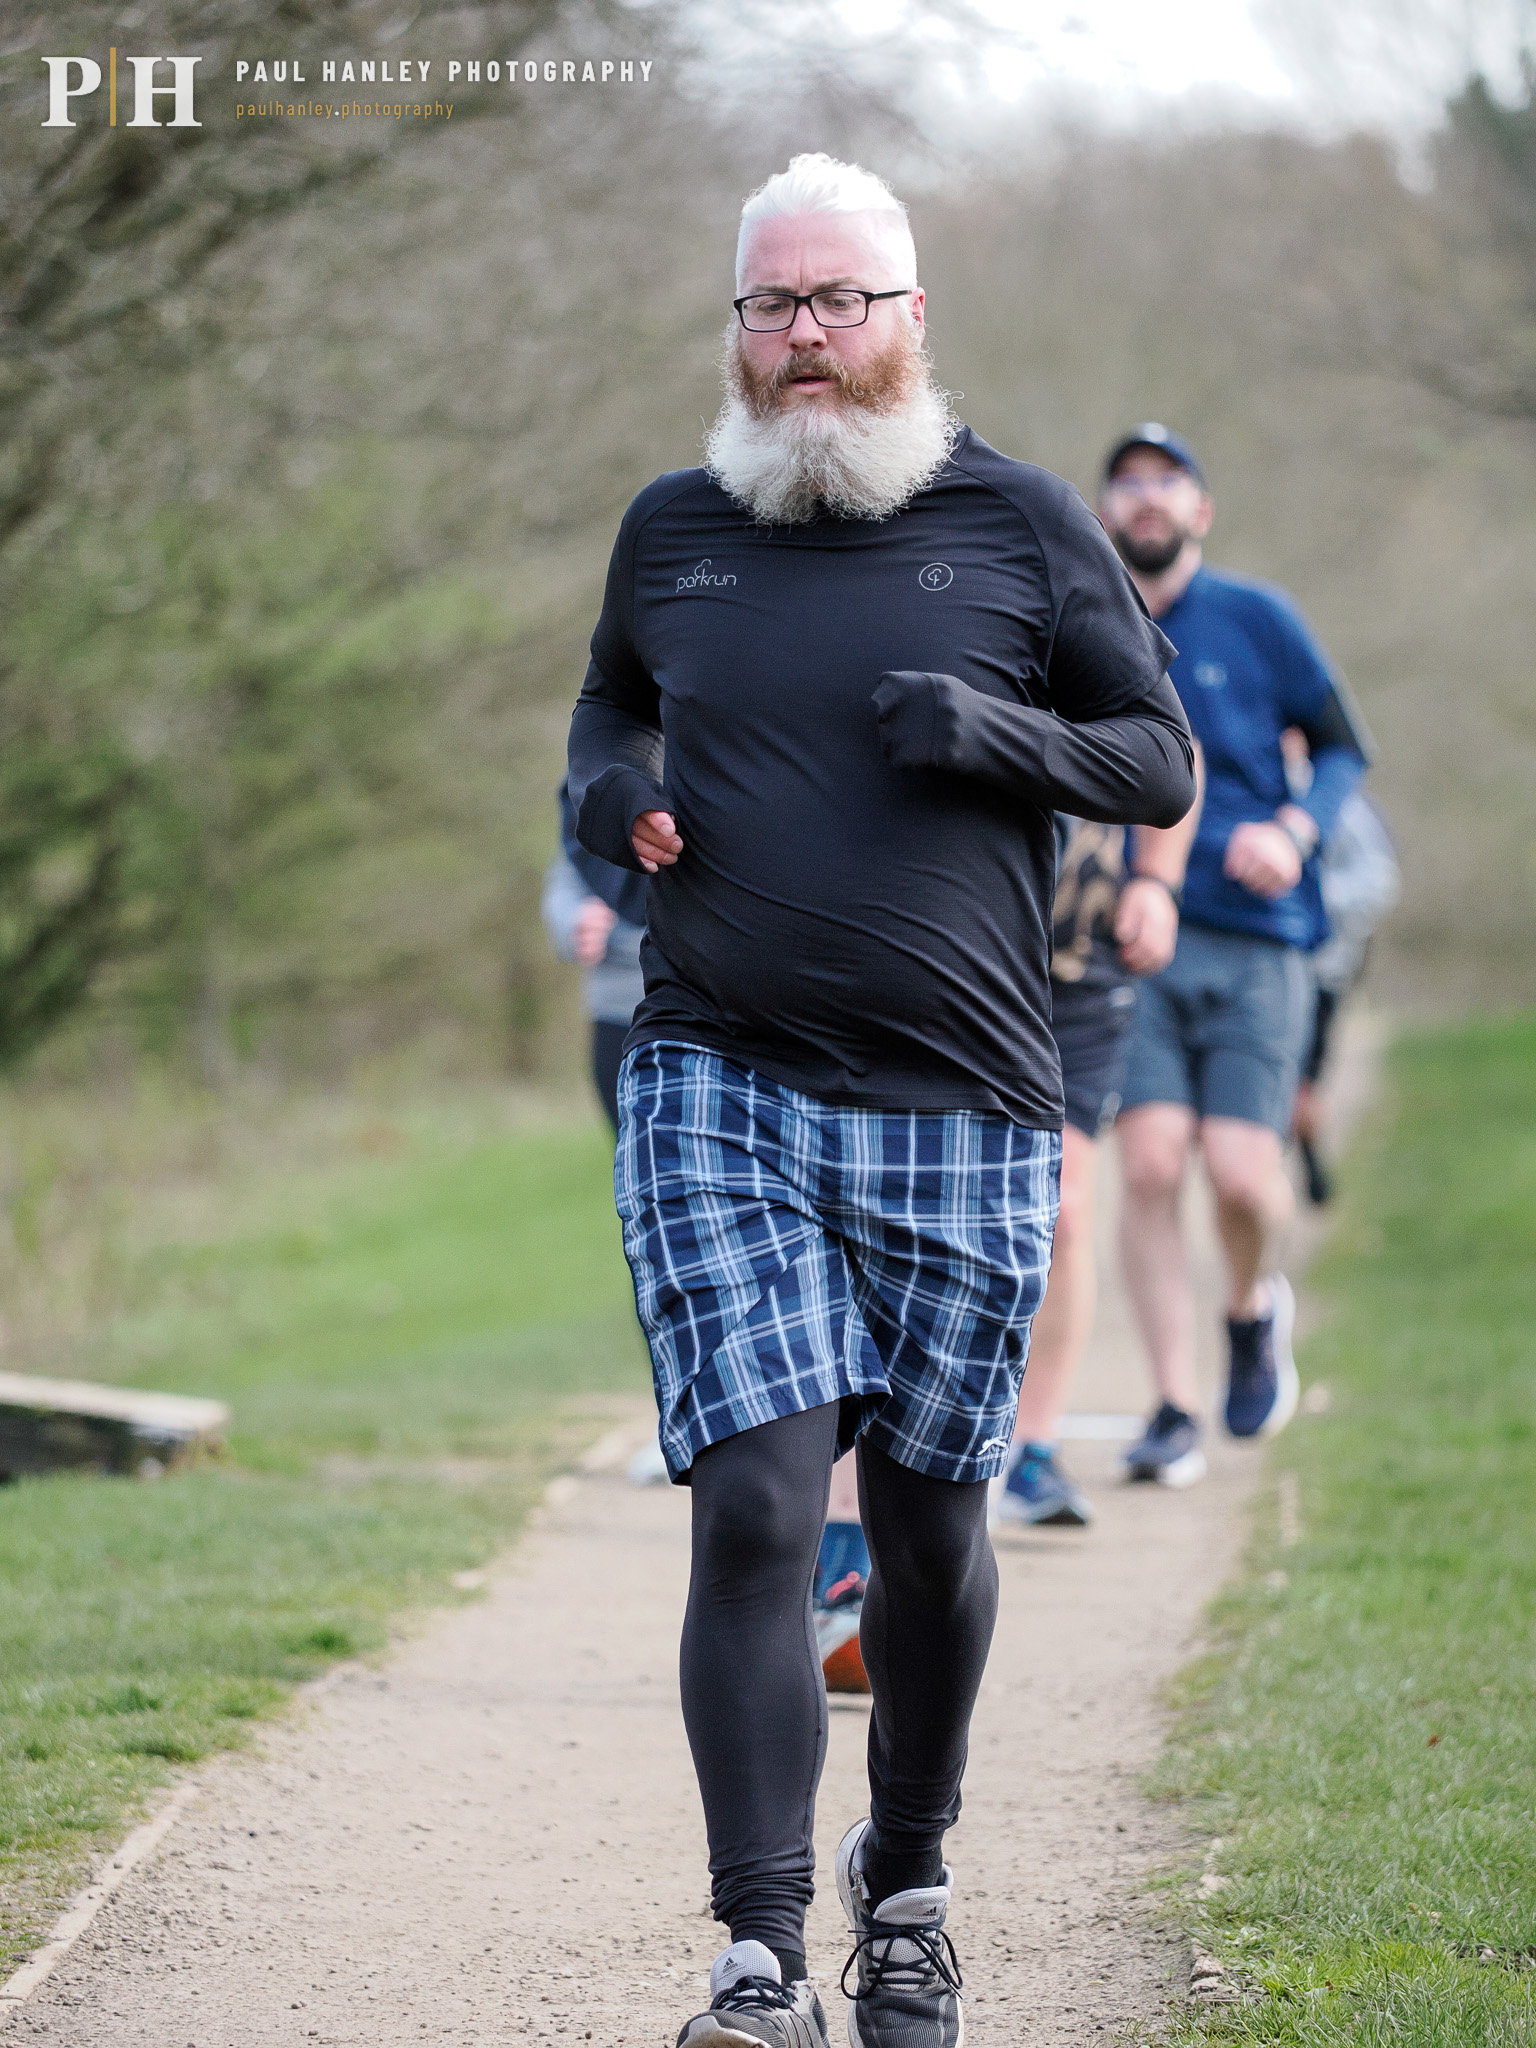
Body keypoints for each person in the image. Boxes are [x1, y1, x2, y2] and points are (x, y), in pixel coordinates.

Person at [567, 157, 1196, 2047]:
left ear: (910, 317)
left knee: (926, 1528)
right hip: (718, 1074)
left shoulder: (1014, 521)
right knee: (757, 1506)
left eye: (841, 302)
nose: (805, 339)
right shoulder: (672, 529)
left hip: (967, 1095)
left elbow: (1156, 760)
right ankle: (756, 1949)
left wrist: (997, 732)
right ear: (738, 328)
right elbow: (607, 711)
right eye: (771, 306)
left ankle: (902, 1881)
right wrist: (607, 805)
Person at [1102, 424, 1368, 1488]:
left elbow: (1345, 745)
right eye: (1127, 485)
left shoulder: (1260, 620)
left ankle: (1252, 1311)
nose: (1148, 499)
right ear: (1108, 512)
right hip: (1139, 938)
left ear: (1201, 509)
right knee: (1154, 1164)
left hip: (1262, 937)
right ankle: (1172, 1402)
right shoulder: (1088, 625)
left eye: (1168, 482)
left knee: (1245, 1178)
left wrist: (1296, 832)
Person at [993, 797, 1199, 1528]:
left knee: (1063, 1213)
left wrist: (1157, 882)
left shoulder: (1106, 673)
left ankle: (1034, 1451)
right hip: (953, 962)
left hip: (1079, 968)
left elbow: (1176, 750)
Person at [1279, 732, 1400, 1204]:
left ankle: (1301, 1163)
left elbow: (1378, 882)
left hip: (1320, 973)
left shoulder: (1343, 809)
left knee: (1302, 1086)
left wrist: (1308, 905)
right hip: (1263, 965)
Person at [540, 780, 647, 1133]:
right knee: (639, 1169)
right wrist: (576, 921)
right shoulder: (595, 766)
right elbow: (569, 871)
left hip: (726, 1011)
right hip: (620, 1012)